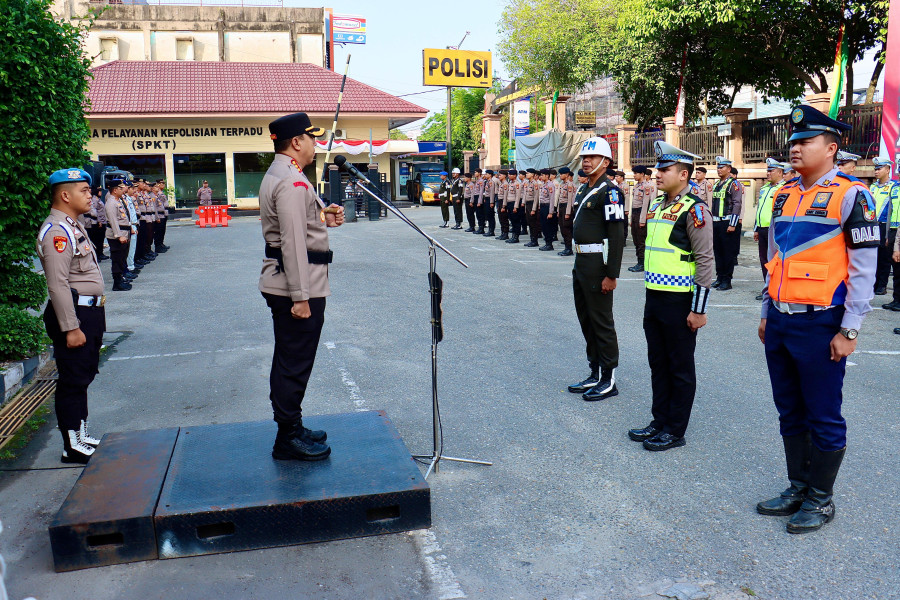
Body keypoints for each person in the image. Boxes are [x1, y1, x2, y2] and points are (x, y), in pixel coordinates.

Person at [756, 105, 878, 534]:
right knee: (789, 409)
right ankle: (799, 487)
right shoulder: (783, 194)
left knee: (823, 413)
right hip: (781, 320)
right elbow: (775, 260)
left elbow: (864, 269)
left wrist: (850, 327)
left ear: (831, 148)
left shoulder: (852, 195)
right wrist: (767, 311)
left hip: (821, 323)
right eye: (793, 141)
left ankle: (821, 499)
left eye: (805, 141)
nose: (795, 148)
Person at [260, 112, 344, 461]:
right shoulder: (291, 180)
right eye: (312, 138)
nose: (316, 144)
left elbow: (298, 223)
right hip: (297, 283)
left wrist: (323, 216)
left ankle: (291, 425)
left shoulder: (285, 173)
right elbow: (293, 241)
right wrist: (300, 296)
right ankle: (287, 436)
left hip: (292, 280)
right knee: (294, 362)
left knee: (291, 358)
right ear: (296, 142)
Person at [628, 141, 714, 451]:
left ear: (684, 174)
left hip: (680, 301)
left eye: (664, 170)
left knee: (679, 366)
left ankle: (675, 429)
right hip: (654, 297)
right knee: (658, 363)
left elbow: (705, 260)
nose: (657, 174)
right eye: (657, 169)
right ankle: (659, 420)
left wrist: (698, 309)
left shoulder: (695, 209)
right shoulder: (658, 205)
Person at [38, 168, 106, 463]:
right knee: (72, 380)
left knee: (83, 376)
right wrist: (71, 328)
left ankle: (80, 434)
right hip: (75, 315)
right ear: (65, 195)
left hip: (88, 312)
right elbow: (58, 284)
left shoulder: (72, 225)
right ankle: (71, 445)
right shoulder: (57, 231)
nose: (90, 195)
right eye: (84, 191)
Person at [566, 137, 626, 401]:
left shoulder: (610, 192)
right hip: (581, 262)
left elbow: (616, 235)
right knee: (586, 320)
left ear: (606, 162)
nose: (586, 161)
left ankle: (608, 378)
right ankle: (594, 371)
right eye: (584, 158)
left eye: (591, 157)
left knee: (601, 322)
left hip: (598, 264)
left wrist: (611, 274)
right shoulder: (584, 189)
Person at [753, 158, 784, 300]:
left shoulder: (783, 188)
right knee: (764, 260)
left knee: (775, 260)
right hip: (762, 228)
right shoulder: (765, 188)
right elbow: (759, 209)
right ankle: (767, 288)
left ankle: (775, 288)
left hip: (775, 230)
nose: (768, 173)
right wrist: (756, 228)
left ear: (780, 172)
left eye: (771, 171)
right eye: (768, 171)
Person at [710, 156, 743, 290]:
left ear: (729, 169)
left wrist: (733, 224)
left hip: (727, 222)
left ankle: (727, 280)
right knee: (718, 252)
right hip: (716, 222)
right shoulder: (717, 184)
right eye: (718, 167)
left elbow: (737, 204)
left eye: (722, 167)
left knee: (727, 253)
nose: (719, 170)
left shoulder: (734, 184)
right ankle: (719, 277)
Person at [870, 157, 899, 299]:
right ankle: (874, 284)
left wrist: (890, 231)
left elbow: (894, 210)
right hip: (872, 225)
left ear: (888, 170)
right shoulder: (873, 187)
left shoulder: (894, 186)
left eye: (879, 168)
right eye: (875, 169)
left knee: (884, 257)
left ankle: (882, 285)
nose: (876, 171)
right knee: (873, 256)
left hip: (885, 226)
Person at [104, 179, 132, 291]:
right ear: (115, 190)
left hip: (124, 233)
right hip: (117, 236)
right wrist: (119, 235)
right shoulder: (111, 203)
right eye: (120, 188)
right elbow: (113, 221)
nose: (123, 190)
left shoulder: (117, 201)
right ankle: (117, 283)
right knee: (117, 259)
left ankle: (120, 279)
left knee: (121, 258)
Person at [557, 167, 575, 256]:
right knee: (562, 228)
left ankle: (569, 249)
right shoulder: (562, 184)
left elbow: (570, 200)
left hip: (566, 208)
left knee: (566, 228)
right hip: (561, 207)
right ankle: (566, 248)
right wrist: (558, 210)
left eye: (562, 174)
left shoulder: (570, 185)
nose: (560, 176)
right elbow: (560, 199)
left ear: (567, 175)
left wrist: (568, 212)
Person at [538, 168, 557, 251]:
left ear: (546, 176)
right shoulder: (543, 184)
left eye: (542, 175)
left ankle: (549, 244)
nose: (541, 176)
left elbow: (552, 199)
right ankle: (547, 243)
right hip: (542, 206)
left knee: (547, 226)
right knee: (543, 226)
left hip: (547, 207)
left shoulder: (550, 185)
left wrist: (550, 212)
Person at [523, 168, 540, 247]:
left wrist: (533, 209)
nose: (526, 174)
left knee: (533, 224)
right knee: (529, 223)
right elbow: (525, 194)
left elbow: (536, 197)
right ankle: (532, 239)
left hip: (532, 204)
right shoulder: (527, 183)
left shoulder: (535, 184)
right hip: (528, 204)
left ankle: (534, 240)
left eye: (528, 173)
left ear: (532, 174)